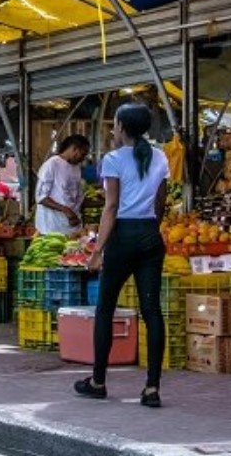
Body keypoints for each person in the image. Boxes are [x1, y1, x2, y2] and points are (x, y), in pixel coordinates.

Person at [77, 103, 170, 409]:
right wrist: (151, 230)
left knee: (105, 309)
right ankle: (152, 388)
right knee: (152, 311)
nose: (112, 129)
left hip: (122, 236)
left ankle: (98, 381)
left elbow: (111, 207)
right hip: (150, 235)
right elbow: (160, 203)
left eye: (114, 124)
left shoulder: (113, 159)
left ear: (122, 127)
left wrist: (97, 251)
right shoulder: (160, 157)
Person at [34, 135, 91, 235]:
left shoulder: (76, 167)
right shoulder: (51, 164)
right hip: (52, 227)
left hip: (70, 225)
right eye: (82, 154)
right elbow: (41, 197)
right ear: (74, 148)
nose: (83, 159)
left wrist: (77, 213)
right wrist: (65, 210)